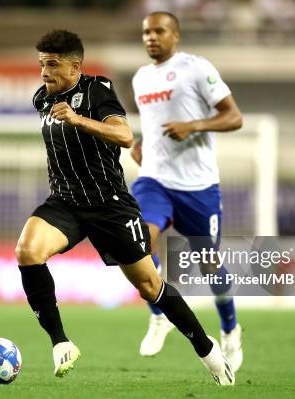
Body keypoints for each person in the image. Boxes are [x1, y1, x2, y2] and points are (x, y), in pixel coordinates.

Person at [17, 29, 234, 385]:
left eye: (52, 65)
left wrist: (77, 119)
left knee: (150, 287)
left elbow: (124, 136)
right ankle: (60, 343)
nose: (44, 73)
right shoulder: (42, 98)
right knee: (27, 251)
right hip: (65, 202)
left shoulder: (96, 90)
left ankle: (205, 347)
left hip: (110, 206)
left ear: (75, 67)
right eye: (41, 64)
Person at [130, 11, 244, 371]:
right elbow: (153, 125)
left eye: (159, 31)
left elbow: (233, 116)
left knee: (210, 265)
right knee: (138, 242)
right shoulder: (140, 77)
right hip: (154, 180)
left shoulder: (197, 68)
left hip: (198, 187)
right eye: (146, 31)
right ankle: (159, 314)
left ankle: (230, 328)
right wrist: (140, 144)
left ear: (175, 35)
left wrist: (193, 125)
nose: (151, 37)